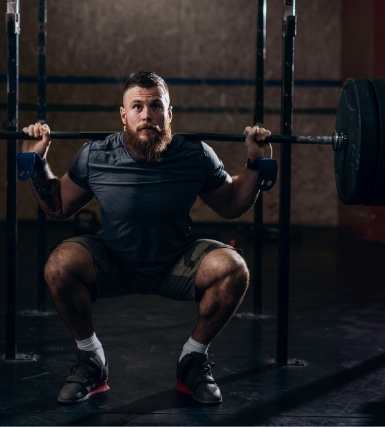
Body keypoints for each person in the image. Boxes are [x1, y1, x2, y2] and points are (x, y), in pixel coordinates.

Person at [21, 71, 271, 405]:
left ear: (169, 114)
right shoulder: (96, 154)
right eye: (137, 106)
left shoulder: (195, 154)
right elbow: (58, 204)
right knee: (58, 267)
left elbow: (231, 204)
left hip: (175, 262)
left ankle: (193, 360)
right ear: (123, 115)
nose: (147, 114)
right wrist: (36, 160)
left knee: (234, 269)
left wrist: (256, 163)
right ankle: (91, 359)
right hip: (113, 261)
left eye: (155, 106)